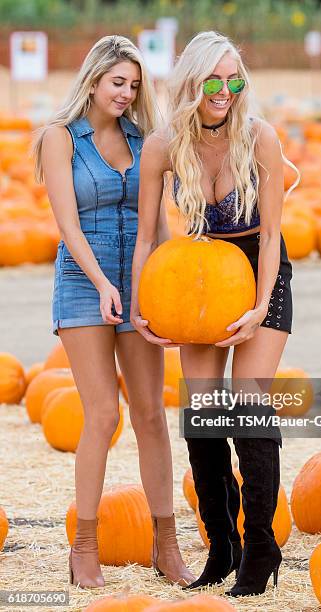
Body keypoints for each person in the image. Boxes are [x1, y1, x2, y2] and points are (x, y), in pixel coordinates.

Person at [131, 31, 299, 597]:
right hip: (198, 274)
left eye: (235, 79)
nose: (225, 90)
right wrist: (141, 302)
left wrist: (258, 309)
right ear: (192, 83)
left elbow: (273, 234)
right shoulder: (162, 145)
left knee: (249, 404)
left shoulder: (260, 137)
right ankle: (221, 544)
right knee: (202, 413)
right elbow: (148, 236)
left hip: (256, 269)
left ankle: (260, 549)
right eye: (214, 80)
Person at [34, 35, 195, 589]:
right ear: (94, 80)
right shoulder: (61, 139)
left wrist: (165, 292)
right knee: (103, 415)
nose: (126, 93)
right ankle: (84, 547)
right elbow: (68, 227)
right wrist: (104, 284)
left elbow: (160, 224)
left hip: (139, 283)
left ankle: (166, 545)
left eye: (134, 84)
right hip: (84, 282)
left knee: (151, 414)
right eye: (117, 82)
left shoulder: (146, 141)